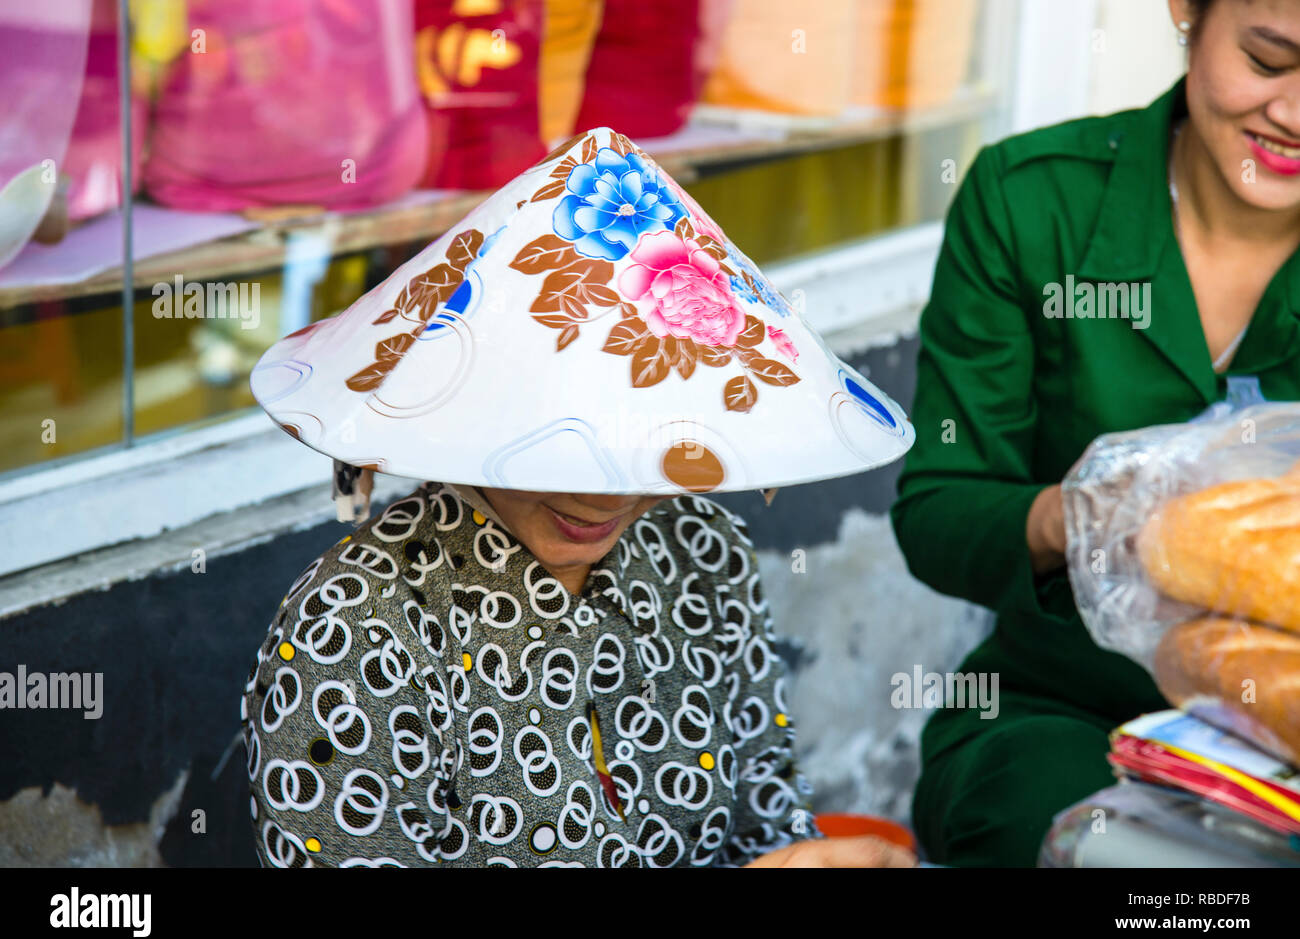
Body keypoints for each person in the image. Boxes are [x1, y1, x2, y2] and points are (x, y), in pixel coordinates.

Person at [241, 124, 919, 868]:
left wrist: (797, 860)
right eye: (559, 452)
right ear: (476, 412)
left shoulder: (702, 549)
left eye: (642, 455)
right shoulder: (353, 629)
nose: (605, 498)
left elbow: (760, 810)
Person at [891, 0, 1300, 867]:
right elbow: (937, 510)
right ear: (1187, 13)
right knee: (1069, 841)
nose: (1294, 116)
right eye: (1269, 60)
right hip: (1060, 709)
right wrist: (1074, 517)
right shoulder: (1032, 200)